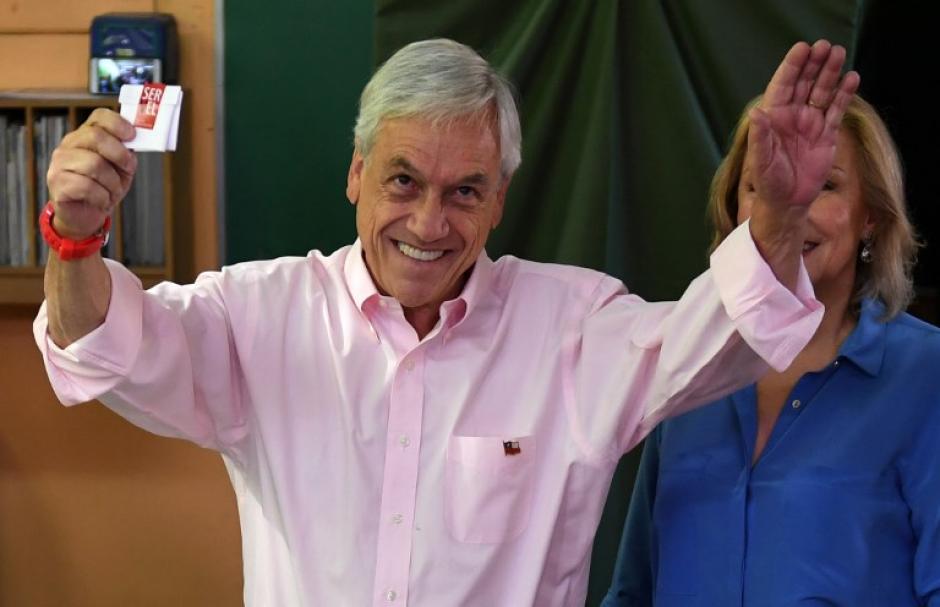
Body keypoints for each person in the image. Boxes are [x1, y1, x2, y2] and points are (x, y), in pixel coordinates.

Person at [35, 38, 857, 605]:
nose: (430, 223)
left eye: (465, 190)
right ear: (355, 174)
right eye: (402, 181)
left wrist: (779, 215)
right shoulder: (261, 314)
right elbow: (108, 347)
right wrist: (74, 238)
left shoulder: (572, 326)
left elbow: (718, 342)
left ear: (499, 198)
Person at [601, 93, 939, 607]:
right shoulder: (689, 365)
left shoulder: (926, 373)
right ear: (736, 212)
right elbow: (633, 591)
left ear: (870, 214)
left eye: (823, 185)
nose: (790, 210)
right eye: (763, 188)